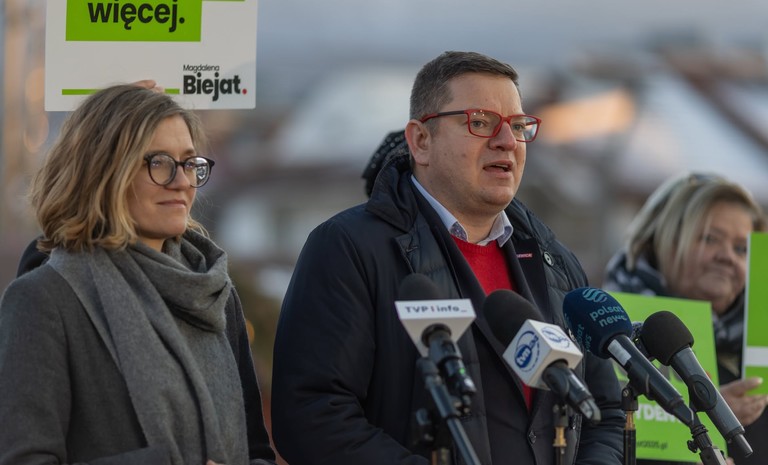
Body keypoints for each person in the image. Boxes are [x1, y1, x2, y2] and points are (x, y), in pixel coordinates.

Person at [271, 51, 625, 465]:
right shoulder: (348, 248)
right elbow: (313, 415)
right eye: (480, 122)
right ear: (421, 141)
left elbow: (604, 411)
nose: (507, 141)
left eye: (517, 126)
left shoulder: (554, 261)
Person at [0, 83, 276, 465]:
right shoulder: (45, 300)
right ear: (104, 171)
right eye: (159, 162)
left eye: (189, 163)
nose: (182, 181)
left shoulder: (214, 292)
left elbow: (256, 451)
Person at [603, 172, 768, 465]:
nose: (727, 256)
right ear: (662, 241)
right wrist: (705, 416)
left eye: (741, 249)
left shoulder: (758, 353)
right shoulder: (603, 336)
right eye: (710, 239)